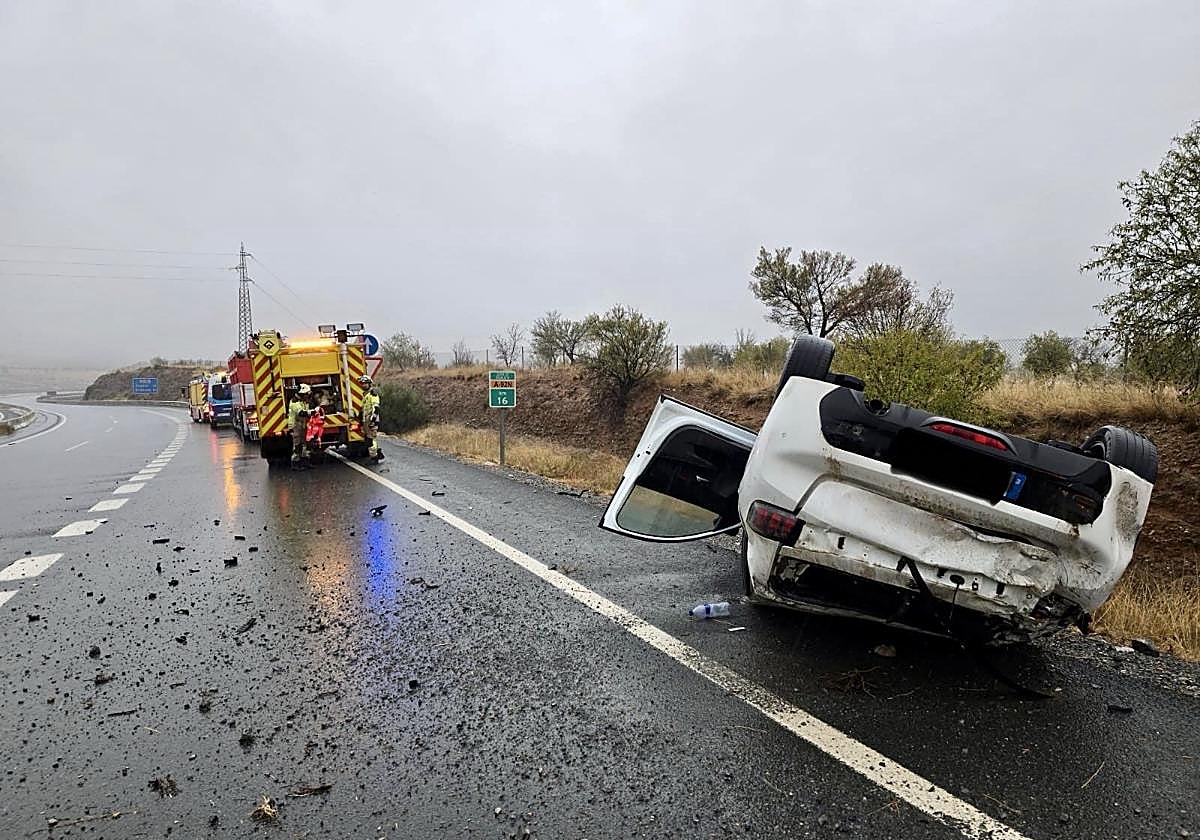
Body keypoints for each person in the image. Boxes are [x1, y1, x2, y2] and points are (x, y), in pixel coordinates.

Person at [288, 383, 313, 468]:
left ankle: (306, 462)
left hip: (302, 425)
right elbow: (301, 413)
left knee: (306, 444)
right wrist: (313, 411)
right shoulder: (294, 402)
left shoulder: (303, 401)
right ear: (301, 394)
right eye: (306, 394)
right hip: (296, 426)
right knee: (297, 445)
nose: (307, 396)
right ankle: (295, 464)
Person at [359, 375, 383, 461]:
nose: (363, 385)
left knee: (371, 439)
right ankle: (376, 454)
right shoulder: (366, 395)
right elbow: (364, 408)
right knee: (369, 439)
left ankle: (375, 457)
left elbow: (376, 408)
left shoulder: (373, 393)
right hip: (367, 420)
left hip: (371, 420)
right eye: (362, 383)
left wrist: (373, 421)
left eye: (365, 383)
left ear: (369, 384)